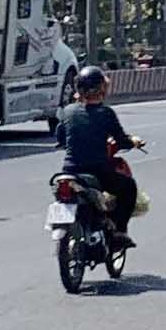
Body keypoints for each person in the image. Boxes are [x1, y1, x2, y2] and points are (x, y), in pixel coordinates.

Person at [56, 65, 144, 246]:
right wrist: (133, 141)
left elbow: (60, 136)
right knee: (129, 187)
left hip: (70, 170)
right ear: (101, 89)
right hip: (99, 172)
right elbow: (121, 140)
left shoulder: (69, 111)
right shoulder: (106, 113)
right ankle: (119, 231)